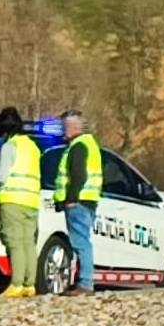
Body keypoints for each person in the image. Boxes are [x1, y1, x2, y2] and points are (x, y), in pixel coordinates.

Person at [53, 110, 103, 296]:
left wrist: (71, 199)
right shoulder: (90, 144)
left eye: (65, 127)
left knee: (81, 243)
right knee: (82, 242)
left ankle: (86, 283)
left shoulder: (79, 146)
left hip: (79, 202)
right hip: (88, 200)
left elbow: (78, 175)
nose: (63, 131)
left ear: (74, 127)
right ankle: (83, 281)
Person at [0, 107, 41, 299]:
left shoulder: (9, 146)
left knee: (14, 243)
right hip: (31, 201)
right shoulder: (32, 146)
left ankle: (16, 284)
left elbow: (1, 176)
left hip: (12, 200)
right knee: (29, 243)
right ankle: (30, 284)